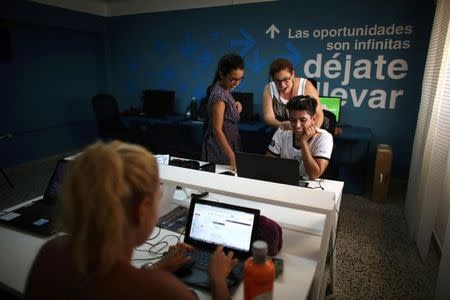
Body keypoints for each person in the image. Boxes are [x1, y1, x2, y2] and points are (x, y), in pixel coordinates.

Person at [25, 141, 238, 300]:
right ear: (140, 210)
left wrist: (157, 267)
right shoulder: (164, 291)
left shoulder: (51, 252)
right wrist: (218, 280)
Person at [266, 96, 333, 180]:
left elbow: (314, 174)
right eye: (293, 120)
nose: (297, 126)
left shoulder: (324, 137)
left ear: (313, 119)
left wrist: (304, 142)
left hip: (311, 187)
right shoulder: (283, 131)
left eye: (303, 120)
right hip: (285, 182)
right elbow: (268, 164)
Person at [201, 53, 244, 171]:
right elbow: (217, 130)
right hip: (220, 150)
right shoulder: (219, 96)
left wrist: (236, 105)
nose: (237, 83)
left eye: (240, 79)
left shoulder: (223, 89)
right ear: (222, 74)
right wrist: (231, 156)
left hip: (227, 146)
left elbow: (225, 113)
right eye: (233, 79)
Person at [262, 58, 324, 130]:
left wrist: (310, 135)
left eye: (285, 79)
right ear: (273, 78)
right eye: (277, 81)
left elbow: (319, 116)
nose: (282, 85)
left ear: (292, 74)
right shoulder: (269, 88)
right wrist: (281, 124)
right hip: (282, 132)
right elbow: (268, 117)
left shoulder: (306, 86)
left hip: (306, 132)